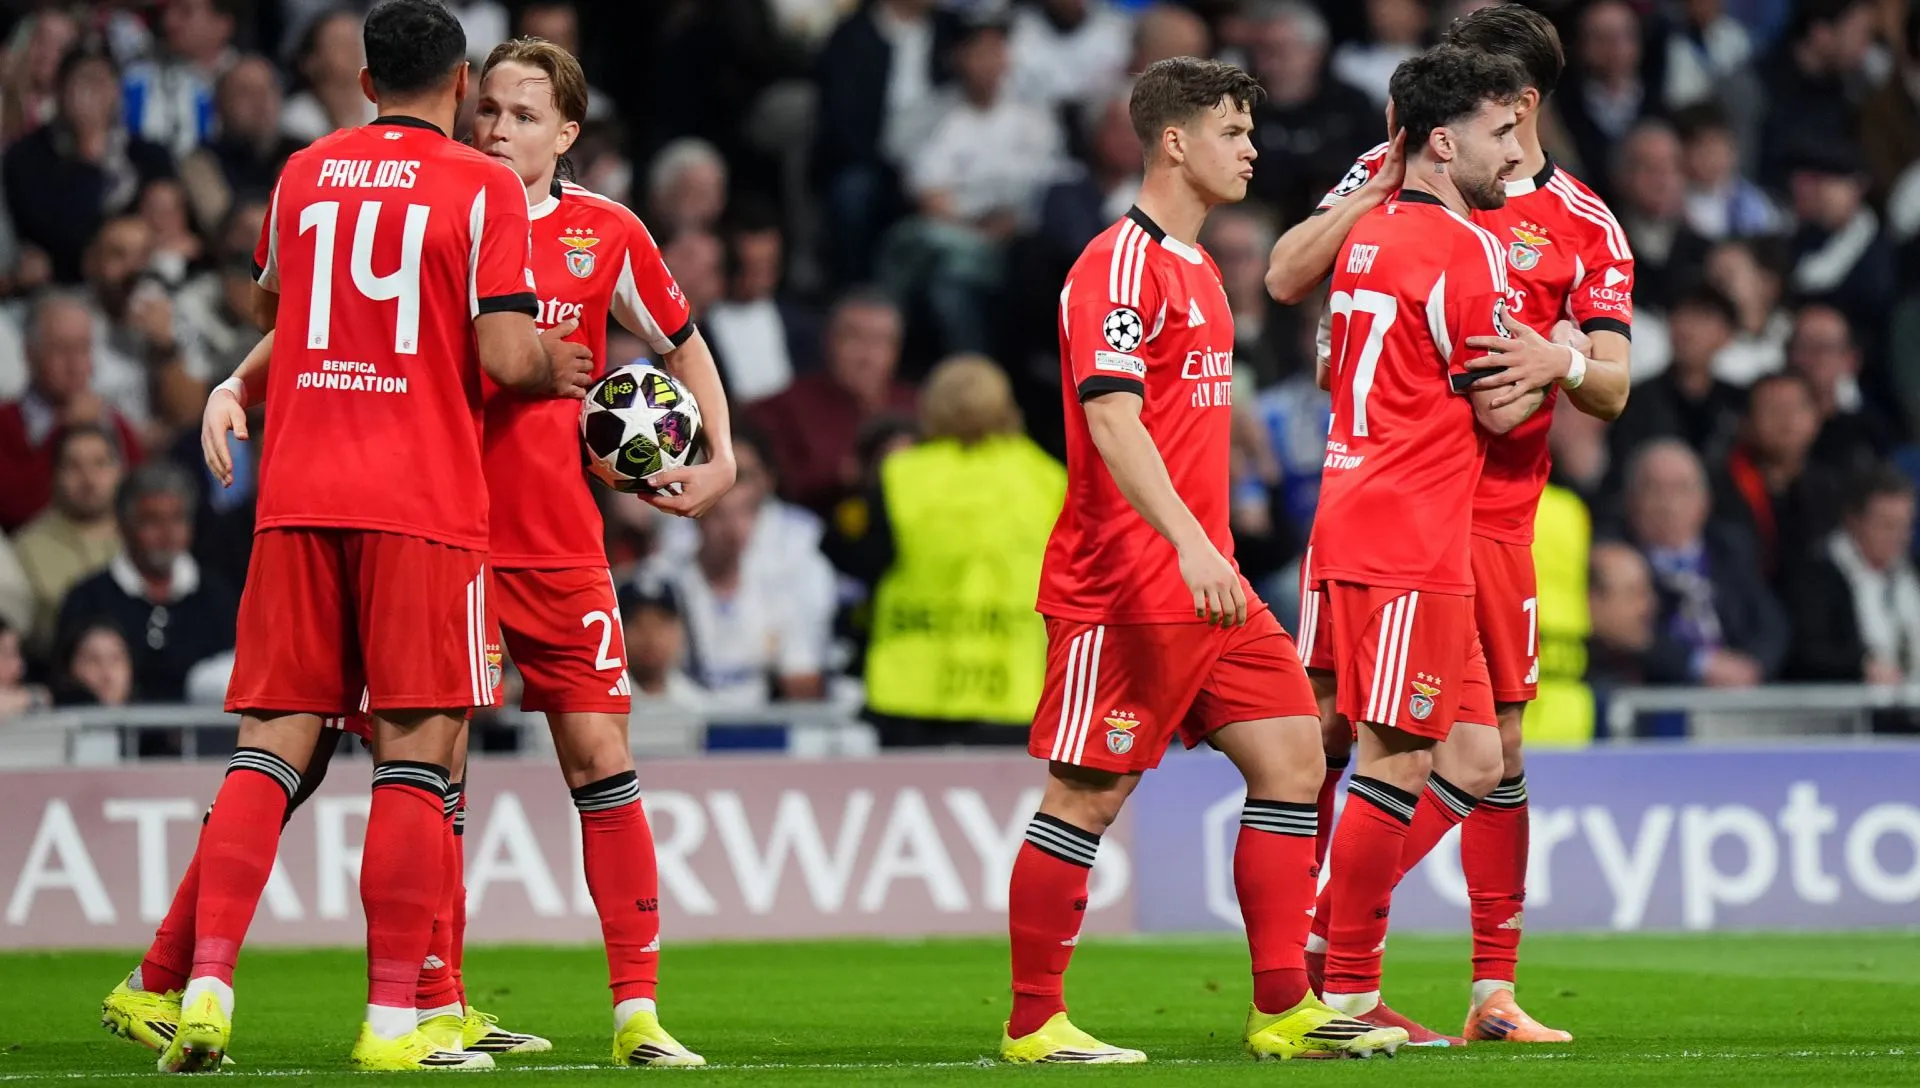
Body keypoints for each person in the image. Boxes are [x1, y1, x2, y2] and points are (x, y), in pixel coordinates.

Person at [145, 1, 591, 1073]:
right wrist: (554, 363)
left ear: (361, 82)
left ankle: (204, 986)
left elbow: (276, 310)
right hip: (421, 500)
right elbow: (500, 350)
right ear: (459, 83)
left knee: (273, 737)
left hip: (297, 491)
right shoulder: (484, 187)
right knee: (417, 748)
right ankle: (396, 1019)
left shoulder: (304, 171)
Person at [1000, 57, 1405, 1065]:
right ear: (1174, 141)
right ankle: (1033, 1021)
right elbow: (1109, 413)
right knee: (1088, 793)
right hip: (1126, 583)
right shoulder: (1117, 266)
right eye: (1233, 130)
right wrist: (1185, 542)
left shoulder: (1198, 269)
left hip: (1208, 582)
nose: (1251, 147)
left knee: (1297, 755)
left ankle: (1282, 1006)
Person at [1272, 5, 1633, 1043]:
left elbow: (1610, 384)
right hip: (1414, 505)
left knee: (1484, 751)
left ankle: (1480, 986)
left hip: (1480, 518)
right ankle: (1323, 964)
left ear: (1519, 103)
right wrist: (1385, 183)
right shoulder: (1404, 181)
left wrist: (1565, 356)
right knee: (1361, 732)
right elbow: (1290, 272)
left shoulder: (1584, 225)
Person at [1299, 45, 1549, 1046]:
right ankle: (1344, 992)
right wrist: (1555, 370)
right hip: (1407, 530)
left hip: (1382, 515)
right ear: (1443, 142)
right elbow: (1494, 401)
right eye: (1499, 134)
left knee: (1477, 752)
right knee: (1395, 756)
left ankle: (1338, 963)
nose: (1514, 156)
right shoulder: (1465, 248)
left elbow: (1331, 343)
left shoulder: (1368, 231)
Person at [859, 354, 1066, 746]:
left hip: (912, 686)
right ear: (1007, 409)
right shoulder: (1048, 479)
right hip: (1014, 686)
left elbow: (863, 560)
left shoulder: (900, 474)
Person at [53, 462, 238, 704]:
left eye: (177, 519)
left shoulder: (218, 598)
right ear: (124, 526)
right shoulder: (87, 600)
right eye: (152, 521)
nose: (167, 533)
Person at [1786, 465, 1920, 685]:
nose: (1898, 536)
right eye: (1886, 525)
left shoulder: (1911, 573)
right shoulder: (1818, 576)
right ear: (1853, 520)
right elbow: (1809, 651)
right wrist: (1860, 667)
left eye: (1905, 525)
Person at [12, 423, 125, 655]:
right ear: (54, 474)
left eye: (100, 464)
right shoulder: (26, 548)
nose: (88, 478)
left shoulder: (143, 539)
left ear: (120, 471)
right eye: (74, 466)